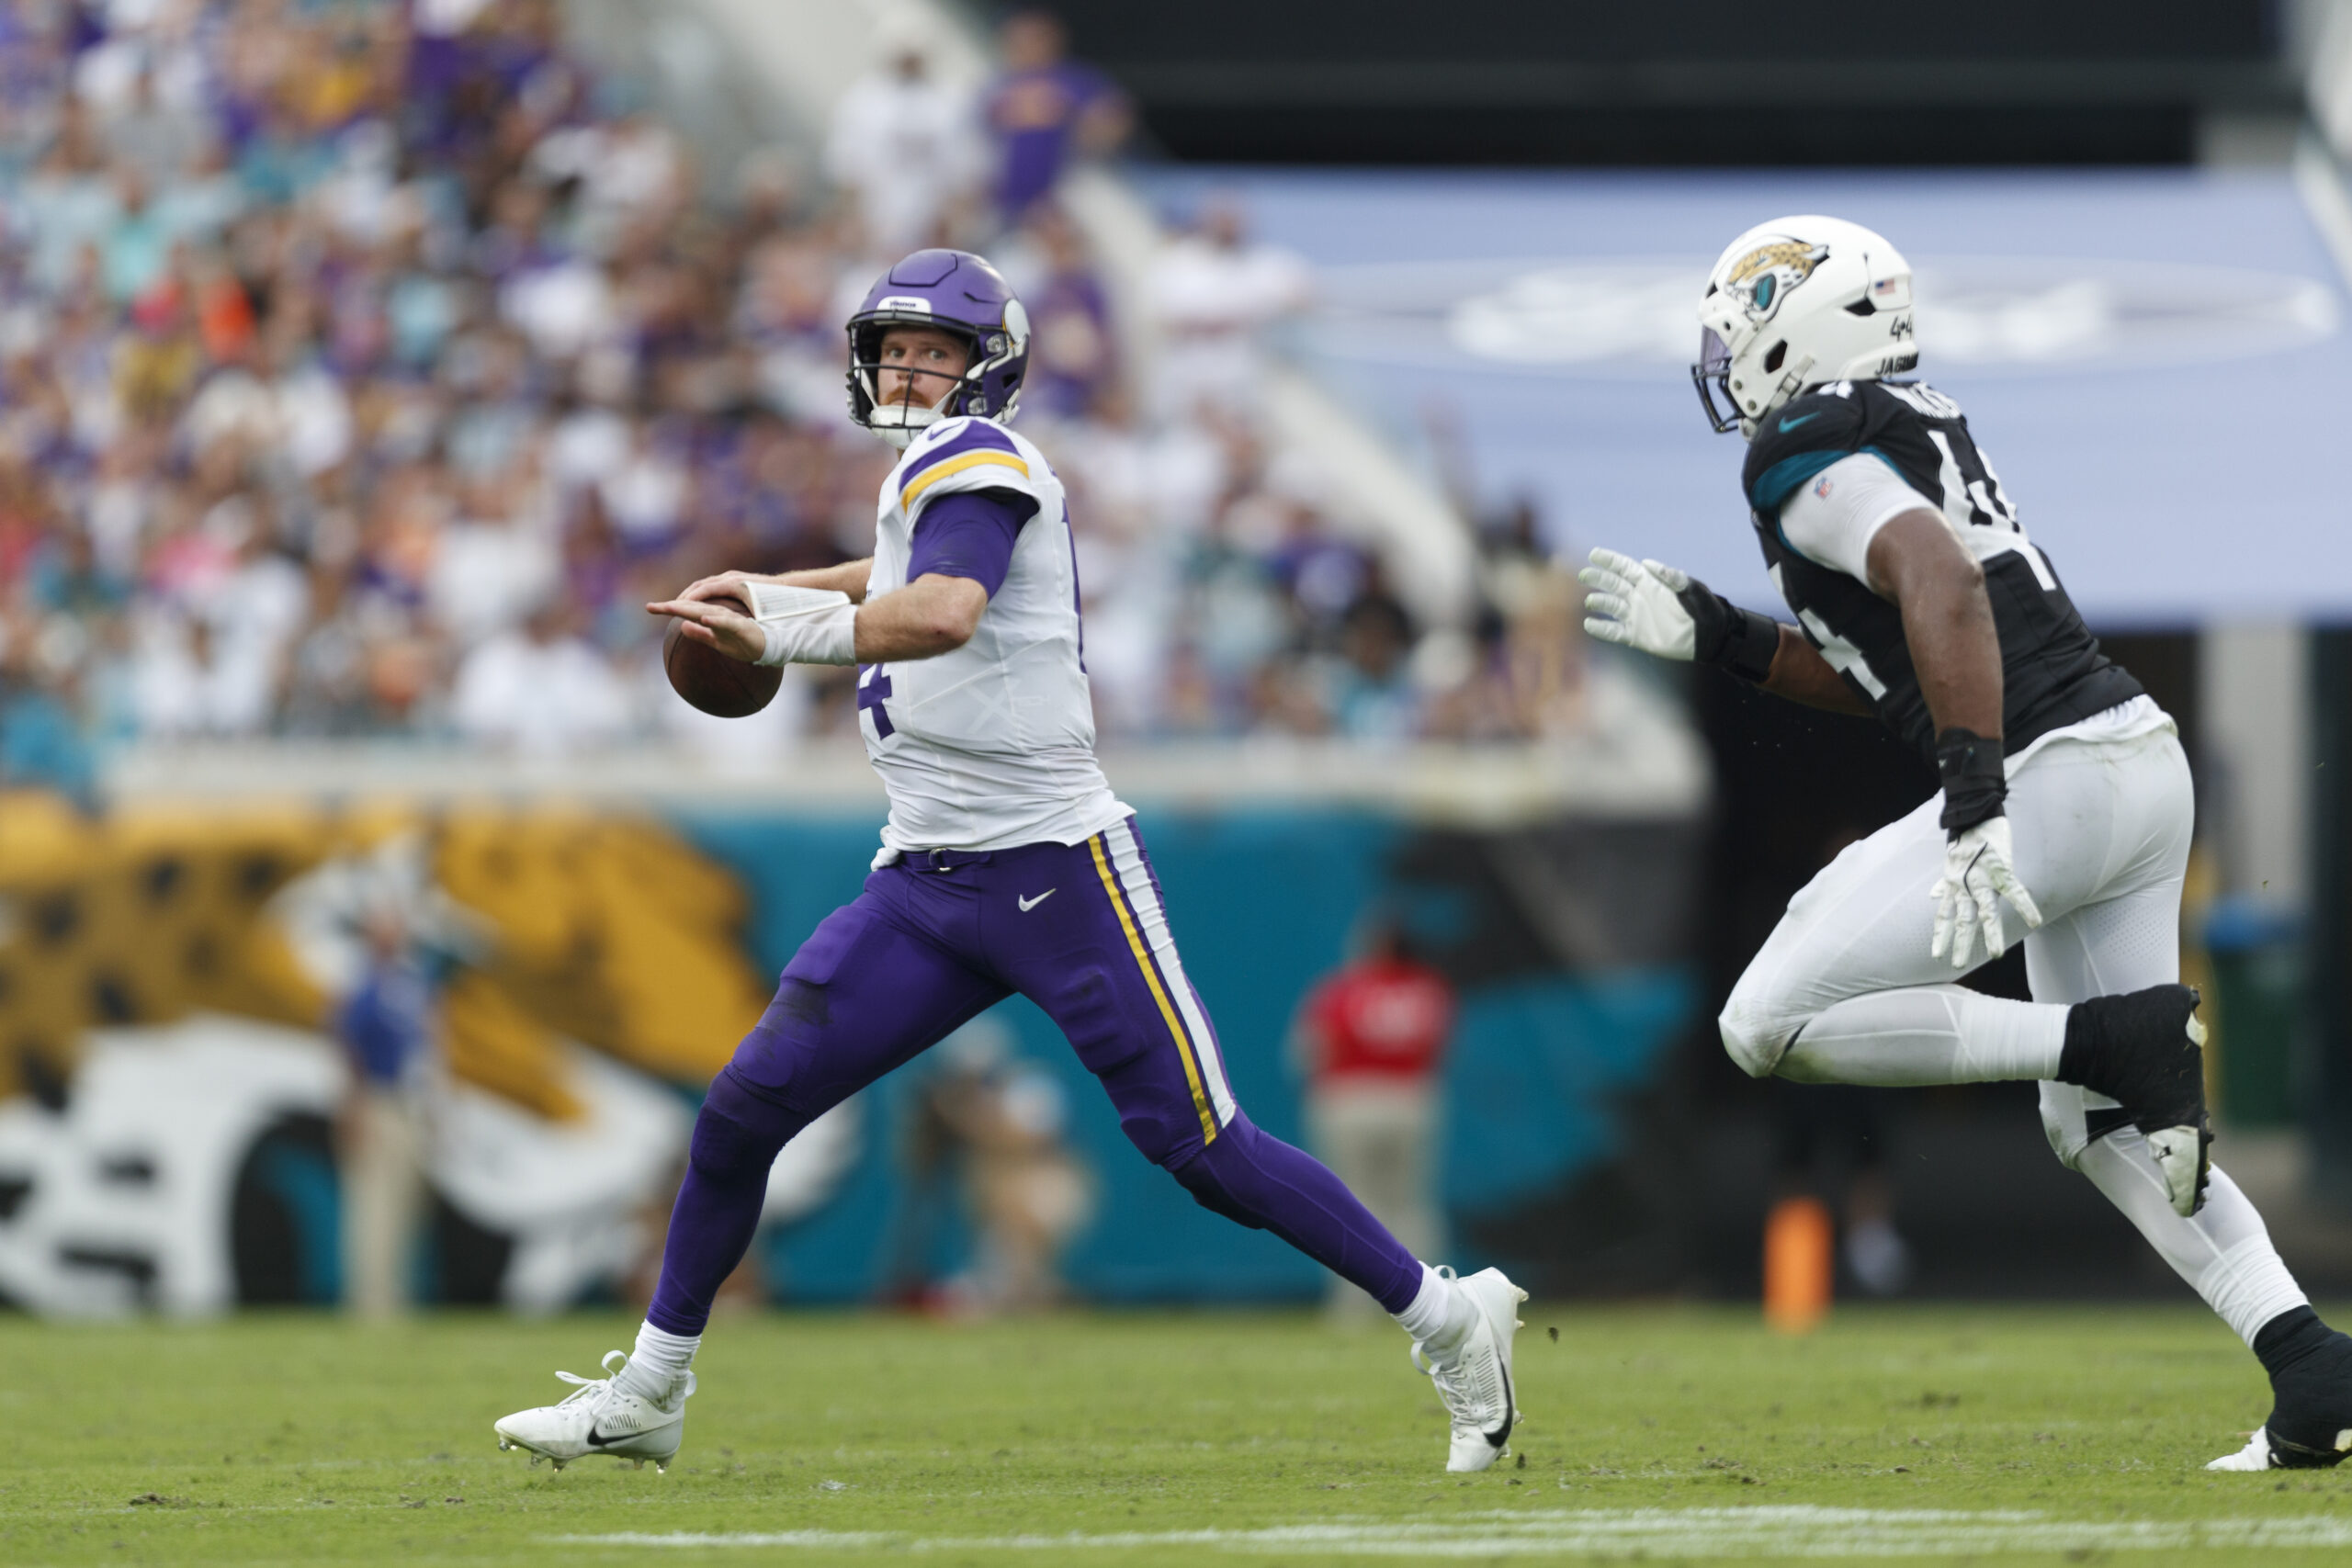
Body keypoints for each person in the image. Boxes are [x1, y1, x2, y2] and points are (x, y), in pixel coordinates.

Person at [492, 248, 1525, 1474]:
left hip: (1055, 869)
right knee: (740, 1109)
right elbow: (897, 574)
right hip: (928, 879)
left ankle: (1451, 1317)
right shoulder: (927, 478)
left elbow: (940, 613)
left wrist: (782, 623)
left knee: (1204, 1146)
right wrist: (767, 586)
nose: (910, 370)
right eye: (895, 350)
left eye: (936, 351)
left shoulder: (980, 462)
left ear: (989, 368)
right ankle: (652, 1389)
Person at [1580, 215, 2352, 1472]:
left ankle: (2116, 1037)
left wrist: (1974, 794)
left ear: (1802, 319)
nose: (1732, 358)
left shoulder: (1802, 438)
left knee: (1762, 1020)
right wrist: (1723, 632)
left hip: (2046, 776)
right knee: (2102, 1123)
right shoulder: (1911, 419)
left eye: (1744, 325)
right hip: (2133, 760)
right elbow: (1896, 655)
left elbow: (1935, 575)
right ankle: (2310, 1363)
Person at [1293, 915, 1453, 1318]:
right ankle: (1430, 1306)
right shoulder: (1429, 989)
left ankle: (1355, 1309)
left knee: (1352, 1204)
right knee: (1410, 1205)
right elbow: (1440, 1048)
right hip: (1411, 1099)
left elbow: (1309, 1051)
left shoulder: (1345, 989)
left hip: (1351, 1099)